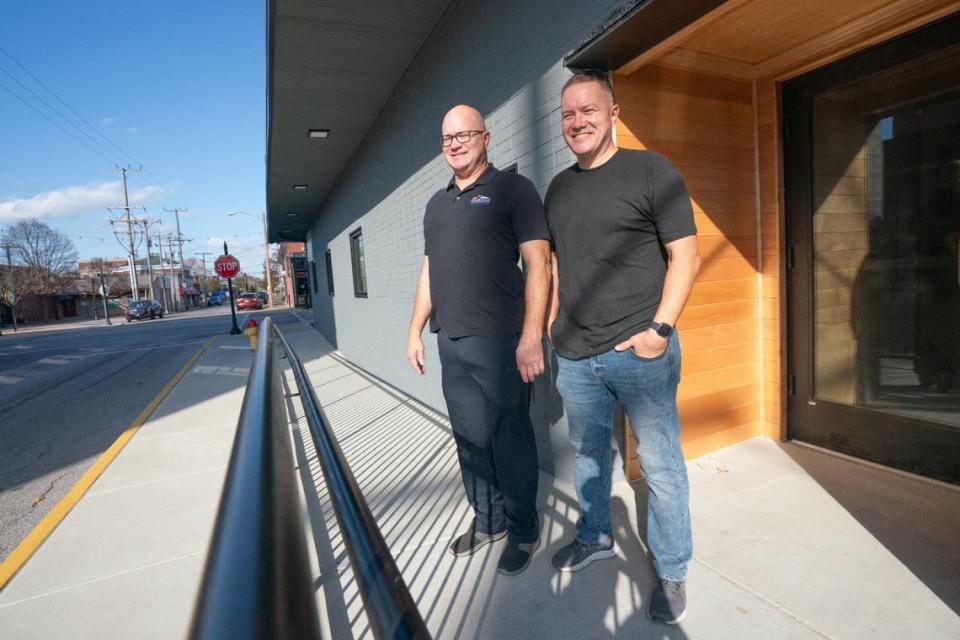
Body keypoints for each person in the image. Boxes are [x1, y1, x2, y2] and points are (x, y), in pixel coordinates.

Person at [545, 70, 701, 624]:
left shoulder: (651, 170)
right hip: (576, 355)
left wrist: (659, 331)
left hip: (640, 350)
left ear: (613, 112)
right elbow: (558, 266)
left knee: (659, 465)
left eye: (588, 110)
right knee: (588, 458)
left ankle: (672, 569)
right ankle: (595, 537)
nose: (577, 121)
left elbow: (686, 256)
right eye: (568, 114)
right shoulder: (559, 189)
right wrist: (550, 329)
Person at [406, 104, 552, 575]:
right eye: (447, 137)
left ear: (486, 137)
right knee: (470, 440)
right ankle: (489, 521)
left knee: (510, 440)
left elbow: (539, 263)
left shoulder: (513, 190)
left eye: (464, 134)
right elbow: (430, 272)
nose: (455, 143)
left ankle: (524, 530)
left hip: (502, 341)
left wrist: (532, 334)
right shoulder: (436, 204)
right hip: (452, 342)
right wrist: (414, 331)